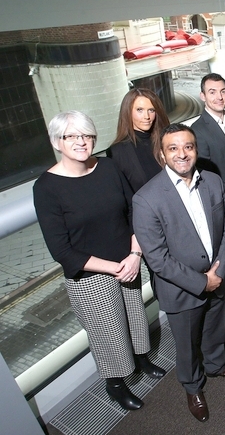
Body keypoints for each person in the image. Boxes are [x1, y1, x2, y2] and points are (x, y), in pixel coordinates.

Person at [34, 111, 165, 412]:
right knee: (108, 332)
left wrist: (134, 255)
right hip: (91, 275)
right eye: (72, 136)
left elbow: (133, 210)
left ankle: (142, 359)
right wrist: (115, 267)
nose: (81, 141)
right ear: (56, 142)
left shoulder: (107, 167)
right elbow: (61, 250)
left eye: (87, 135)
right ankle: (115, 383)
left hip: (128, 261)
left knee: (134, 317)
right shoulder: (46, 188)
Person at [132, 124, 225, 423]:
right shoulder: (146, 199)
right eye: (173, 148)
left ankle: (216, 365)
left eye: (188, 146)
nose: (182, 154)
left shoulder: (212, 181)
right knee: (186, 345)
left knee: (215, 328)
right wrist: (202, 282)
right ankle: (192, 386)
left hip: (217, 275)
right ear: (162, 154)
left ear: (196, 149)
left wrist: (218, 269)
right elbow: (158, 259)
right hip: (181, 289)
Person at [191, 73, 225, 209]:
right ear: (202, 96)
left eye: (223, 91)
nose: (219, 97)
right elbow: (206, 175)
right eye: (212, 92)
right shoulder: (197, 130)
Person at [107, 88, 168, 193]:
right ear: (128, 112)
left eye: (151, 110)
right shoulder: (117, 151)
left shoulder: (166, 140)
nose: (147, 117)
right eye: (140, 110)